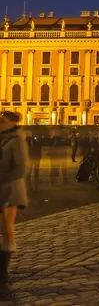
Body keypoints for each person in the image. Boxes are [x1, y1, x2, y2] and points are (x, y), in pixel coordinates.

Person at [0, 111, 29, 284]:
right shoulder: (3, 139)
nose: (0, 123)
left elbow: (20, 169)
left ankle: (3, 270)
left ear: (12, 123)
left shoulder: (17, 141)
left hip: (11, 189)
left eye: (3, 121)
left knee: (7, 228)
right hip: (1, 188)